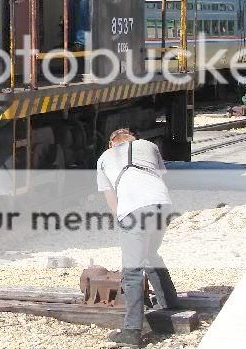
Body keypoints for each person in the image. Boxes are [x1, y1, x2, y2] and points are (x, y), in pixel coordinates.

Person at [97, 128, 178, 348]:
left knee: (132, 271)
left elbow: (110, 197)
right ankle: (171, 303)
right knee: (151, 253)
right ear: (134, 139)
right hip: (163, 204)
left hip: (133, 210)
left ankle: (132, 331)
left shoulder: (104, 158)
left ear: (111, 144)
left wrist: (123, 221)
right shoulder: (149, 146)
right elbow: (160, 177)